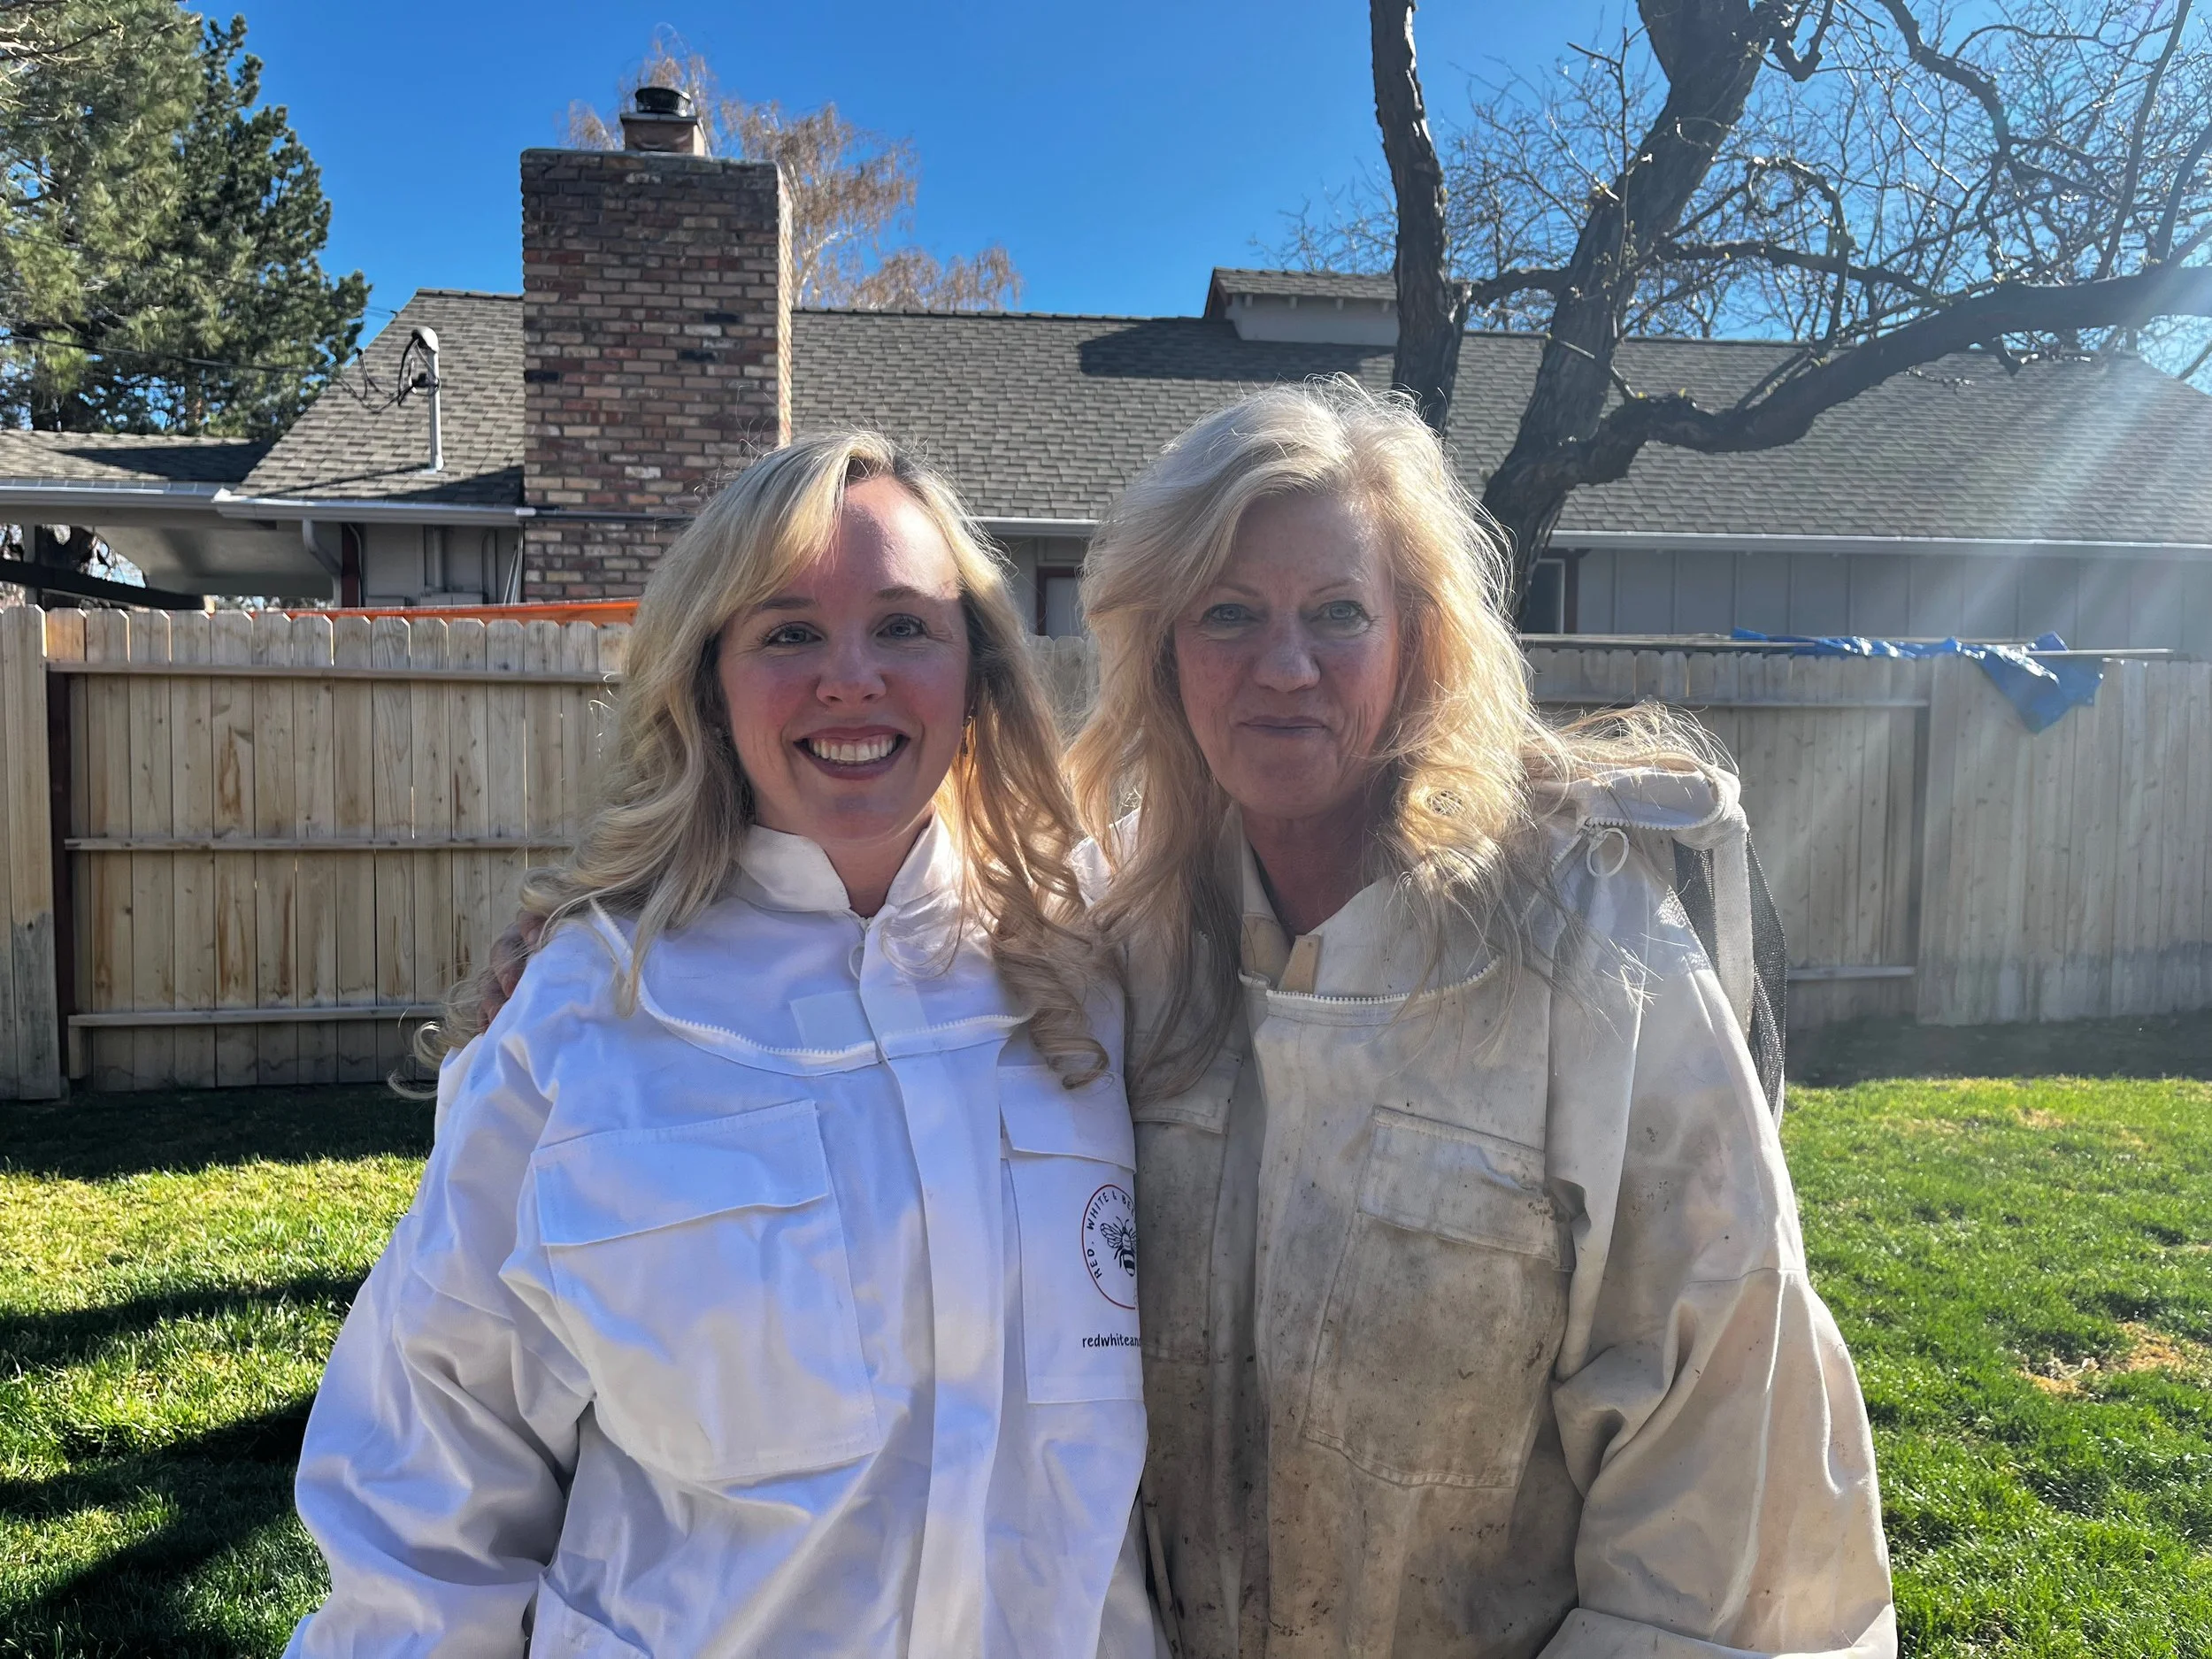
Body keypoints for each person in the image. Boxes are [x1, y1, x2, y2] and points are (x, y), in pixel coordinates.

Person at [285, 433, 1162, 1658]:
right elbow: (426, 1467)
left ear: (979, 670)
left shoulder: (1105, 973)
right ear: (710, 679)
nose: (850, 677)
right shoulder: (586, 1014)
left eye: (905, 625)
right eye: (788, 631)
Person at [1067, 380, 1893, 1658]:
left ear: (1418, 642)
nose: (1283, 665)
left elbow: (1721, 1465)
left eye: (1338, 612)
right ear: (1164, 650)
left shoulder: (1589, 951)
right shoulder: (1119, 940)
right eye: (1228, 613)